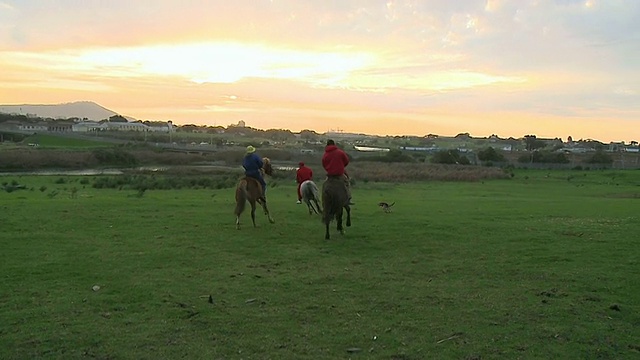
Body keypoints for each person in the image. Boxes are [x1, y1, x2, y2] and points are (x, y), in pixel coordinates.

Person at [321, 139, 354, 205]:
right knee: (346, 183)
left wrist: (328, 169)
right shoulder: (340, 152)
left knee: (324, 186)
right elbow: (346, 161)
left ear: (327, 145)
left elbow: (324, 164)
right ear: (334, 144)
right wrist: (341, 167)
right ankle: (348, 198)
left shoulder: (325, 154)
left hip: (330, 176)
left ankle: (324, 202)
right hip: (339, 175)